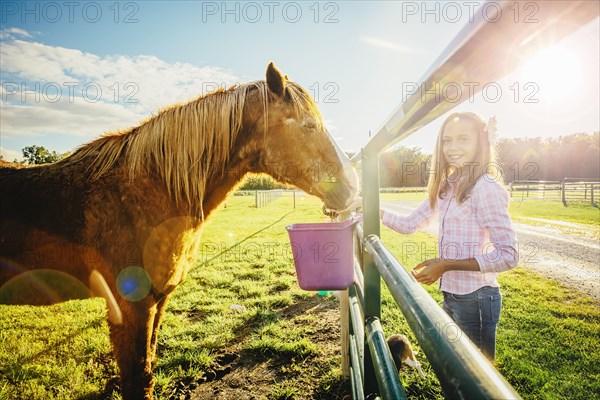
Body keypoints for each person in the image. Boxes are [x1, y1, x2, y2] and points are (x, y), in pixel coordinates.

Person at [380, 112, 518, 362]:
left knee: (476, 379)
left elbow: (509, 255)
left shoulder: (485, 188)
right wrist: (370, 209)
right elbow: (410, 223)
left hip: (477, 298)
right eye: (447, 140)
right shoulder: (447, 186)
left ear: (481, 142)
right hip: (452, 296)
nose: (453, 148)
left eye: (463, 139)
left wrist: (446, 265)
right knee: (455, 367)